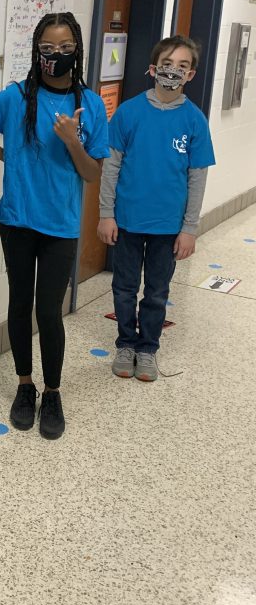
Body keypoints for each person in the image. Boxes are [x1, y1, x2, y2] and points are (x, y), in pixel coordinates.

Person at [0, 11, 110, 440]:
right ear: (36, 51)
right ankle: (25, 385)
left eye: (65, 48)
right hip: (18, 220)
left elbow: (92, 174)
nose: (56, 55)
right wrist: (6, 156)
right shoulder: (16, 97)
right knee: (20, 304)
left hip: (60, 225)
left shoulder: (90, 105)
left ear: (77, 51)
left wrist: (72, 141)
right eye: (47, 48)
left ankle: (53, 392)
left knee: (49, 311)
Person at [97, 35, 215, 381]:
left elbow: (197, 179)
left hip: (169, 225)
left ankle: (148, 348)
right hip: (128, 220)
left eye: (182, 66)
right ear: (153, 69)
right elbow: (111, 167)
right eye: (167, 64)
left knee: (157, 291)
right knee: (124, 287)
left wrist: (190, 228)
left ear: (191, 75)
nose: (173, 72)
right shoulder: (129, 112)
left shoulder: (195, 121)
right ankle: (126, 344)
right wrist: (106, 214)